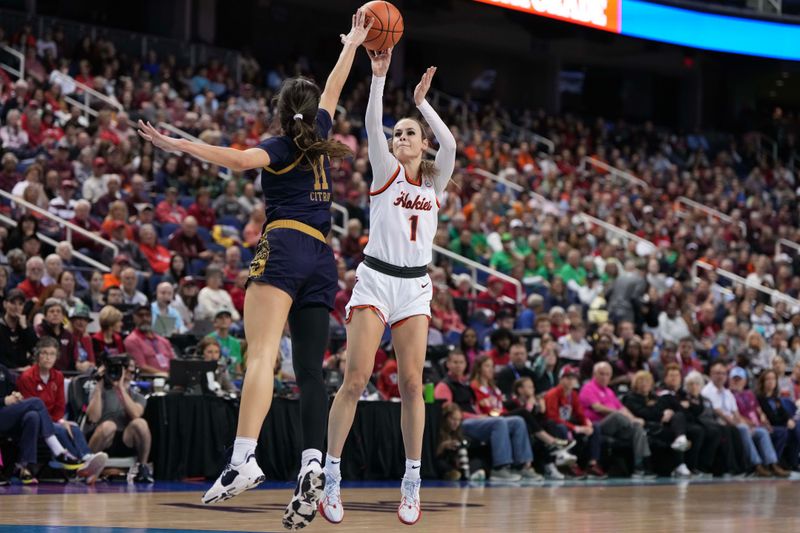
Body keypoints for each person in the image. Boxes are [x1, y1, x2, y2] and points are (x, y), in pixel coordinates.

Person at [139, 11, 371, 529]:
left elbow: (237, 160)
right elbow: (333, 87)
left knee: (262, 355)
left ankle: (244, 457)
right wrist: (351, 44)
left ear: (279, 110)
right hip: (323, 258)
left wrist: (180, 144)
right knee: (312, 373)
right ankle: (313, 459)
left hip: (285, 245)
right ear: (311, 112)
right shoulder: (321, 134)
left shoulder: (280, 146)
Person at [321, 47, 457, 527]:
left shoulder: (435, 183)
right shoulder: (386, 172)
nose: (400, 137)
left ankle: (412, 481)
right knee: (356, 378)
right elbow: (370, 125)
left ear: (422, 144)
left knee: (412, 384)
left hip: (415, 289)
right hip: (377, 281)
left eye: (409, 134)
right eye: (396, 133)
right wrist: (378, 78)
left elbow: (452, 146)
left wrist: (424, 104)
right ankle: (331, 475)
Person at [434, 350, 535, 482]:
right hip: (461, 423)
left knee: (517, 421)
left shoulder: (465, 384)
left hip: (478, 420)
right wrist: (477, 417)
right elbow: (447, 411)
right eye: (455, 362)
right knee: (498, 422)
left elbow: (476, 404)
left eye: (461, 362)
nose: (458, 365)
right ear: (448, 364)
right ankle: (500, 468)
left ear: (466, 365)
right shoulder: (444, 385)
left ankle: (522, 465)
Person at [16, 337, 108, 482]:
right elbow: (30, 408)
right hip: (33, 423)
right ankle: (83, 464)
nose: (48, 357)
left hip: (52, 420)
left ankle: (86, 459)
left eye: (52, 354)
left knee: (73, 427)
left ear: (56, 357)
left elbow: (60, 405)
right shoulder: (26, 377)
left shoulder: (58, 376)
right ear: (37, 356)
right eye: (44, 353)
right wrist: (57, 422)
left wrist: (60, 420)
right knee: (59, 428)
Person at [0, 362, 84, 484]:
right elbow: (5, 400)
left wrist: (15, 395)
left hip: (6, 415)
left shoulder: (2, 369)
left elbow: (12, 390)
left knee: (32, 416)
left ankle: (25, 467)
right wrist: (4, 400)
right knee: (37, 402)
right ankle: (58, 450)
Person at [702, 363, 787, 477]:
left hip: (737, 423)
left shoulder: (727, 393)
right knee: (743, 429)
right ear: (711, 375)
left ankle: (772, 463)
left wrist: (751, 424)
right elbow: (718, 412)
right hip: (720, 424)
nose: (720, 376)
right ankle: (756, 464)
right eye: (717, 373)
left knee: (761, 432)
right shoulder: (708, 391)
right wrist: (743, 424)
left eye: (723, 373)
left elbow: (735, 413)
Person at [579, 361, 656, 478]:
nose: (604, 377)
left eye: (607, 374)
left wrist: (634, 419)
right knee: (617, 416)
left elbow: (622, 408)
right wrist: (624, 416)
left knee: (638, 428)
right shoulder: (588, 388)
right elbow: (597, 407)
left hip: (618, 426)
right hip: (598, 426)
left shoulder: (609, 391)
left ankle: (640, 466)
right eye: (601, 374)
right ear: (594, 374)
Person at [86, 356, 153, 483]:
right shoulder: (100, 391)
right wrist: (99, 387)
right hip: (103, 438)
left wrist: (121, 388)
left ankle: (142, 467)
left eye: (131, 370)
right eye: (126, 369)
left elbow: (135, 414)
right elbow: (93, 417)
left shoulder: (137, 396)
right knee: (109, 426)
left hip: (125, 439)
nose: (128, 373)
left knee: (141, 423)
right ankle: (88, 466)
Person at [623, 371, 692, 477]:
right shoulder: (630, 397)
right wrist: (662, 414)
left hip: (659, 424)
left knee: (678, 415)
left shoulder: (654, 396)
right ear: (635, 383)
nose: (644, 383)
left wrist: (668, 412)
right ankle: (679, 463)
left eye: (647, 381)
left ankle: (681, 439)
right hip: (645, 426)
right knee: (672, 427)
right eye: (641, 381)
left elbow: (657, 411)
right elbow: (643, 413)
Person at [543, 365, 606, 479]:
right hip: (553, 427)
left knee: (595, 427)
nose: (571, 381)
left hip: (568, 424)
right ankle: (570, 465)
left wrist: (587, 424)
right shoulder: (553, 394)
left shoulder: (573, 394)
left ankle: (592, 463)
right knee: (561, 428)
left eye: (573, 378)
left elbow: (580, 414)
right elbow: (552, 417)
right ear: (561, 379)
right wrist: (575, 428)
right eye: (568, 378)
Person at [757, 369, 800, 471]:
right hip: (770, 426)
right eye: (768, 379)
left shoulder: (775, 398)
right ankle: (774, 463)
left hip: (780, 424)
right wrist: (786, 422)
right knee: (785, 431)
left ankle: (794, 462)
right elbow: (772, 418)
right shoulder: (760, 398)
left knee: (796, 426)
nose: (771, 381)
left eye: (773, 379)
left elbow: (784, 413)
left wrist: (789, 419)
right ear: (763, 382)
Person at [123, 305, 175, 376]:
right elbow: (141, 366)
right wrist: (164, 374)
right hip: (149, 380)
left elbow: (174, 363)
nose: (145, 318)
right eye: (140, 315)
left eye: (148, 315)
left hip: (170, 378)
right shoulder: (131, 340)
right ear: (134, 318)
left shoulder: (164, 341)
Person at [0, 288, 37, 372]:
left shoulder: (25, 326)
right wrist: (16, 369)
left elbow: (35, 349)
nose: (16, 307)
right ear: (5, 304)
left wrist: (25, 328)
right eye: (13, 303)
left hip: (24, 373)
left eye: (20, 304)